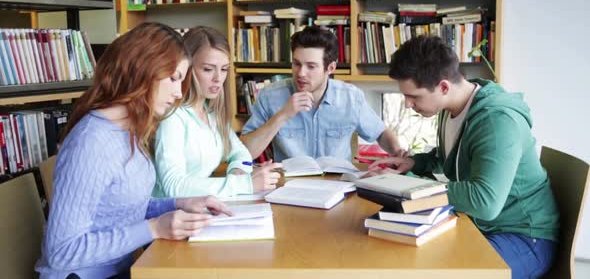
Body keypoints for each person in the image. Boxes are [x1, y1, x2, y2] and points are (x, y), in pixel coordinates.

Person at [36, 22, 232, 279]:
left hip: (122, 270)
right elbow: (61, 252)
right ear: (143, 70)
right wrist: (153, 229)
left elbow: (119, 207)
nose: (177, 93)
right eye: (173, 78)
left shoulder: (130, 129)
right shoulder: (92, 142)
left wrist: (178, 204)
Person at [367, 35, 559, 279]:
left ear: (444, 87)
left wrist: (413, 188)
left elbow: (485, 201)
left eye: (414, 96)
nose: (407, 104)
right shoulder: (453, 108)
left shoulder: (496, 121)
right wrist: (415, 163)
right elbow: (451, 155)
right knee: (399, 257)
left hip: (524, 236)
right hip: (480, 225)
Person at [241, 26, 403, 162]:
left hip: (338, 186)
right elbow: (245, 152)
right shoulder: (270, 96)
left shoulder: (351, 98)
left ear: (330, 68)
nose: (301, 73)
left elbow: (380, 133)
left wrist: (398, 153)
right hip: (289, 187)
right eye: (296, 64)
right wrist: (282, 115)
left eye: (311, 66)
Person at [153, 26, 281, 198]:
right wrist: (243, 184)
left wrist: (238, 173)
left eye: (224, 69)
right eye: (208, 69)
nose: (218, 78)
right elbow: (173, 186)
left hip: (199, 208)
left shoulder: (211, 113)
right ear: (187, 68)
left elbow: (241, 153)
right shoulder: (173, 117)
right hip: (170, 214)